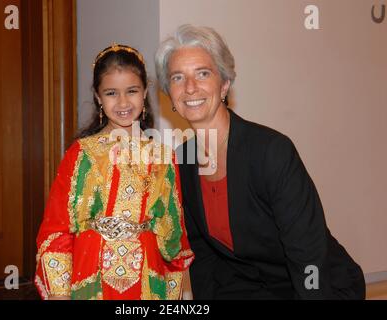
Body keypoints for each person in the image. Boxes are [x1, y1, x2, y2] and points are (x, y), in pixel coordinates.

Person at [155, 24, 365, 299]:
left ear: (224, 85)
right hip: (251, 290)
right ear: (170, 93)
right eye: (178, 78)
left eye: (203, 73)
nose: (190, 87)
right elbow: (203, 255)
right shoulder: (181, 162)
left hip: (315, 287)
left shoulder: (271, 151)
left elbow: (307, 253)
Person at [35, 44, 194, 300]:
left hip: (147, 278)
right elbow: (57, 228)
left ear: (144, 93)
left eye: (131, 91)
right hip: (90, 275)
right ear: (98, 97)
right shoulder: (81, 154)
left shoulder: (163, 156)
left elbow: (173, 234)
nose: (122, 102)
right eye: (111, 93)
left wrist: (178, 291)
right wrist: (59, 292)